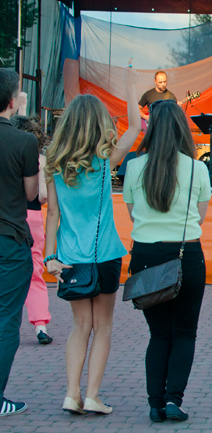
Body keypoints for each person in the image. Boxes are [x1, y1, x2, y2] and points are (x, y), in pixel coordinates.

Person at [44, 64, 140, 416]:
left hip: (70, 257)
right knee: (104, 327)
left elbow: (52, 215)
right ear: (99, 124)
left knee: (79, 327)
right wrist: (130, 86)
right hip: (105, 255)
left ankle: (72, 394)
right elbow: (135, 128)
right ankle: (93, 396)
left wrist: (49, 257)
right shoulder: (104, 161)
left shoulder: (55, 164)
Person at [123, 99, 211, 422]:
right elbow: (199, 217)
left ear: (151, 129)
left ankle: (155, 404)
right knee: (185, 332)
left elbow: (133, 215)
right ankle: (174, 400)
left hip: (145, 256)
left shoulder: (134, 166)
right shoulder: (198, 168)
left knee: (159, 334)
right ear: (181, 128)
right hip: (186, 254)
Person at [0, 70, 39, 417]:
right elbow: (31, 194)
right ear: (13, 102)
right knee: (6, 320)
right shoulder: (23, 142)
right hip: (9, 240)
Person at [11, 111, 53, 345]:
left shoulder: (6, 153)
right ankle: (40, 326)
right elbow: (44, 195)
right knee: (35, 272)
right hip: (33, 216)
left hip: (8, 216)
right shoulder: (40, 160)